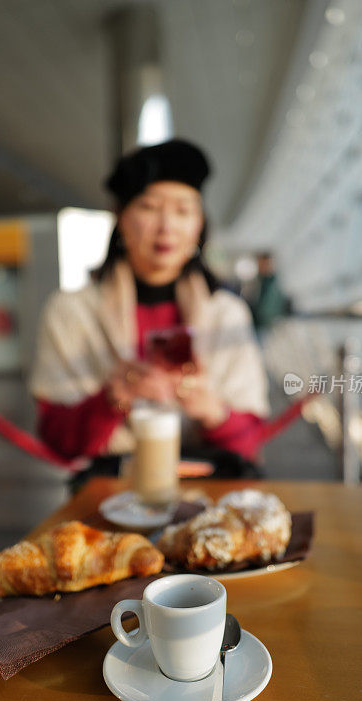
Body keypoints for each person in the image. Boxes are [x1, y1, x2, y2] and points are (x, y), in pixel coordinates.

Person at [29, 139, 270, 482]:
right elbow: (58, 440)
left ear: (200, 226)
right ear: (120, 218)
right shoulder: (70, 312)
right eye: (149, 207)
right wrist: (112, 398)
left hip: (207, 485)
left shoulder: (227, 315)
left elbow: (250, 444)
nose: (167, 225)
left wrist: (211, 410)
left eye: (184, 211)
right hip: (111, 489)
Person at [249, 251, 291, 333]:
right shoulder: (257, 282)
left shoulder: (276, 284)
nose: (261, 266)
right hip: (258, 327)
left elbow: (269, 310)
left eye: (264, 263)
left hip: (271, 328)